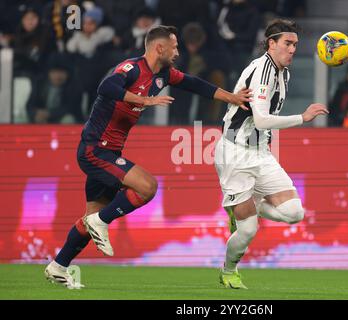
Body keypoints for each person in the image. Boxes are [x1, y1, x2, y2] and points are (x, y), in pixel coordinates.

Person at [44, 25, 252, 289]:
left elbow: (196, 84)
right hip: (95, 149)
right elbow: (106, 87)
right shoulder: (131, 68)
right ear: (160, 48)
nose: (178, 51)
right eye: (174, 47)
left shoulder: (163, 75)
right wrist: (144, 101)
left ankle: (59, 266)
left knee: (89, 219)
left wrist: (232, 97)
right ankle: (101, 222)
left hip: (110, 152)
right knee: (147, 187)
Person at [214, 19, 328, 289]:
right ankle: (229, 271)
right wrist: (303, 117)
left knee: (294, 213)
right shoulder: (262, 70)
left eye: (295, 45)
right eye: (287, 43)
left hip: (261, 152)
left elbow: (263, 125)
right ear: (271, 43)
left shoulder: (283, 73)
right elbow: (263, 120)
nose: (292, 49)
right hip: (235, 153)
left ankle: (242, 205)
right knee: (248, 231)